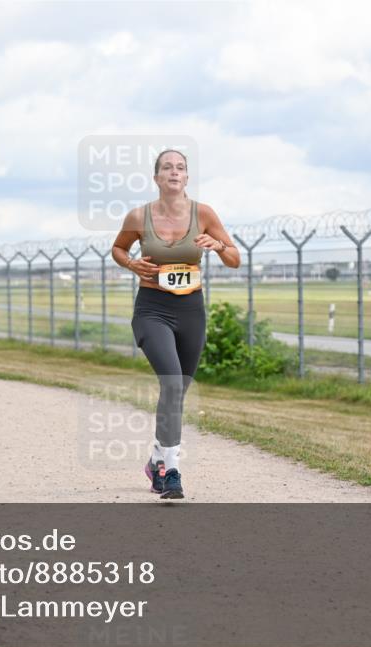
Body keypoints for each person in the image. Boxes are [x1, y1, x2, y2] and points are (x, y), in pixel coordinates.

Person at [111, 149, 240, 499]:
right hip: (152, 309)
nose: (174, 171)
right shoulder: (139, 216)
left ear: (186, 177)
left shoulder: (204, 213)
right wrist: (132, 264)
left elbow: (234, 259)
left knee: (178, 389)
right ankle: (171, 470)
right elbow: (118, 249)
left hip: (191, 311)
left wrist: (217, 245)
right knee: (171, 381)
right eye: (167, 167)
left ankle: (155, 459)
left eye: (180, 167)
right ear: (156, 178)